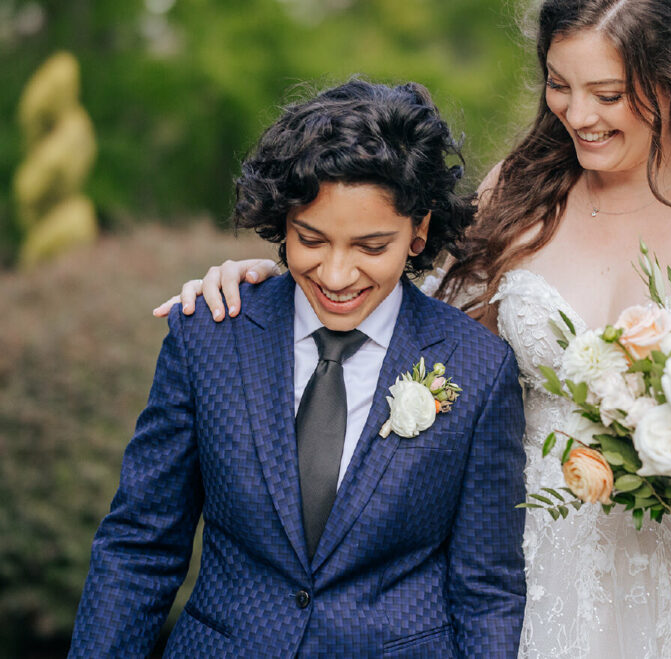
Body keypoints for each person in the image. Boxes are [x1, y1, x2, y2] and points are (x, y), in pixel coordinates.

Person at [155, 0, 671, 655]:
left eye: (608, 93)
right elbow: (394, 307)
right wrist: (270, 287)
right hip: (546, 566)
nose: (577, 114)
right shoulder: (521, 193)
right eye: (560, 84)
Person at [73, 79, 527, 657]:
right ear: (282, 221)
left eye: (369, 247)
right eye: (311, 239)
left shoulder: (478, 367)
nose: (336, 276)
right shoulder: (207, 336)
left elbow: (487, 588)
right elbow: (141, 546)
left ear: (417, 231)